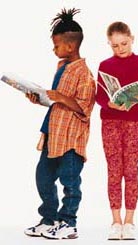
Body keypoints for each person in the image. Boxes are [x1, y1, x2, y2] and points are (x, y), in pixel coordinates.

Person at [23, 8, 96, 240]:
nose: (54, 50)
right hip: (53, 133)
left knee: (70, 182)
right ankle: (50, 219)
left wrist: (61, 97)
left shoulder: (84, 74)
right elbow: (58, 103)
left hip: (71, 139)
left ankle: (68, 223)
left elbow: (84, 107)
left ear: (70, 46)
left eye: (56, 46)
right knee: (42, 176)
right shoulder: (61, 67)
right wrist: (41, 100)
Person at [95, 21, 138, 240]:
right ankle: (115, 221)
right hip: (110, 121)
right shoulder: (105, 65)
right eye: (115, 46)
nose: (120, 49)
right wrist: (110, 104)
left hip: (135, 122)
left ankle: (129, 221)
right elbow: (99, 96)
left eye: (124, 43)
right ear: (109, 44)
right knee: (113, 170)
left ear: (132, 39)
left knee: (131, 170)